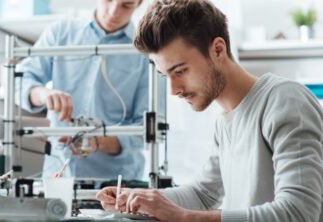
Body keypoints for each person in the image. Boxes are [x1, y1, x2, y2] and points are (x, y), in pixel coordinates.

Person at [96, 0, 323, 221]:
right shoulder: (225, 120)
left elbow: (299, 213)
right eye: (166, 76)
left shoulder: (284, 100)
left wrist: (184, 217)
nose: (174, 90)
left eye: (181, 71)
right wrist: (139, 198)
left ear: (217, 49)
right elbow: (203, 195)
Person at [16, 0, 149, 180]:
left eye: (126, 5)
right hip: (57, 172)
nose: (113, 12)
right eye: (109, 0)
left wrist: (98, 142)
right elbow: (19, 81)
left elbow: (148, 126)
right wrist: (43, 94)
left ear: (139, 4)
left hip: (116, 181)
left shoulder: (146, 51)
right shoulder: (60, 33)